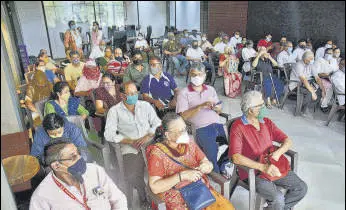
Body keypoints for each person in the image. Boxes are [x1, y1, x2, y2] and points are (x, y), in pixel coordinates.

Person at [229, 90, 308, 210]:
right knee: (278, 198)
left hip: (274, 166)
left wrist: (277, 153)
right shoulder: (238, 127)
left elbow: (287, 141)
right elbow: (236, 157)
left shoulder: (266, 122)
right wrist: (263, 167)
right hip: (254, 172)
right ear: (250, 110)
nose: (264, 107)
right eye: (260, 105)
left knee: (301, 188)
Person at [146, 112, 235, 210]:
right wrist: (182, 176)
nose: (185, 133)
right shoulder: (157, 153)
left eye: (185, 129)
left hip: (200, 193)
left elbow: (208, 164)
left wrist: (206, 166)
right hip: (176, 198)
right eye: (181, 131)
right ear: (167, 135)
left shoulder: (189, 143)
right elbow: (155, 187)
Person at [104, 81, 161, 207]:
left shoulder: (145, 105)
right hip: (130, 147)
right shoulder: (114, 111)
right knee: (131, 175)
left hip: (150, 143)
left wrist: (148, 135)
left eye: (135, 93)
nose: (134, 96)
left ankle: (160, 196)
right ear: (122, 95)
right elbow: (108, 134)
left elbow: (157, 122)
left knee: (161, 168)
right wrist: (129, 140)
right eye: (130, 93)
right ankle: (143, 195)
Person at [29, 139, 127, 210]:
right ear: (56, 166)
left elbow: (118, 199)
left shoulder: (95, 171)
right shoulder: (41, 196)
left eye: (78, 153)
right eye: (73, 157)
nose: (80, 158)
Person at [176, 63, 225, 173]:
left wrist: (217, 108)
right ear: (190, 74)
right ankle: (216, 175)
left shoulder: (211, 89)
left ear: (204, 75)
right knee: (212, 152)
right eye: (194, 74)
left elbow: (219, 109)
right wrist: (200, 106)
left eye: (200, 74)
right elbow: (182, 116)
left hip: (216, 125)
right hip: (201, 128)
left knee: (225, 149)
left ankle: (222, 169)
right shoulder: (184, 93)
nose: (197, 77)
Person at [289, 51, 322, 116]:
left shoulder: (310, 64)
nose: (311, 61)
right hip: (296, 84)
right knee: (309, 93)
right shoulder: (299, 65)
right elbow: (303, 79)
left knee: (319, 92)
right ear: (304, 58)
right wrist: (312, 91)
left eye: (312, 59)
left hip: (305, 83)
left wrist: (323, 90)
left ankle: (302, 107)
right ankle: (299, 109)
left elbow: (317, 78)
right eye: (309, 59)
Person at [313, 48, 339, 112]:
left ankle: (339, 103)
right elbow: (317, 74)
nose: (329, 55)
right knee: (330, 87)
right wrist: (328, 75)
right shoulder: (320, 60)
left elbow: (336, 70)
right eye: (327, 53)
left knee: (339, 85)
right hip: (319, 78)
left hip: (330, 78)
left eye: (330, 53)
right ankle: (323, 105)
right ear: (324, 53)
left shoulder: (333, 61)